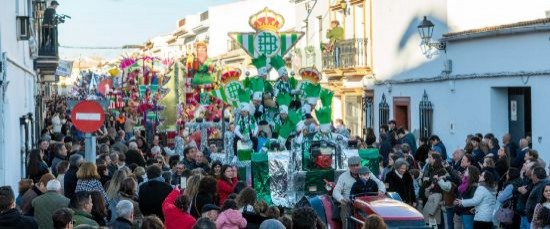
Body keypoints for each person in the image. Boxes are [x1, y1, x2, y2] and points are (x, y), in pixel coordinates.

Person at [333, 156, 385, 229]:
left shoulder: (368, 173)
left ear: (360, 164)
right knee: (345, 213)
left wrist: (381, 192)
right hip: (350, 203)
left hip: (369, 202)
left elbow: (380, 183)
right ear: (348, 166)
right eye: (352, 166)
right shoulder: (343, 177)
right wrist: (341, 199)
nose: (355, 167)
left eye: (357, 165)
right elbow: (336, 191)